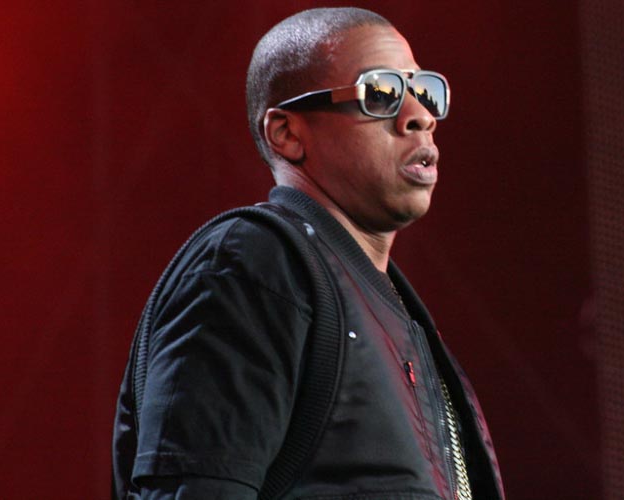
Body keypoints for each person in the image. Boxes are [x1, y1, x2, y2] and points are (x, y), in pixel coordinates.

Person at [111, 7, 503, 500]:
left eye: (424, 91)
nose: (420, 115)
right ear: (287, 133)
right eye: (381, 93)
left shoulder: (397, 313)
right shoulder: (252, 264)